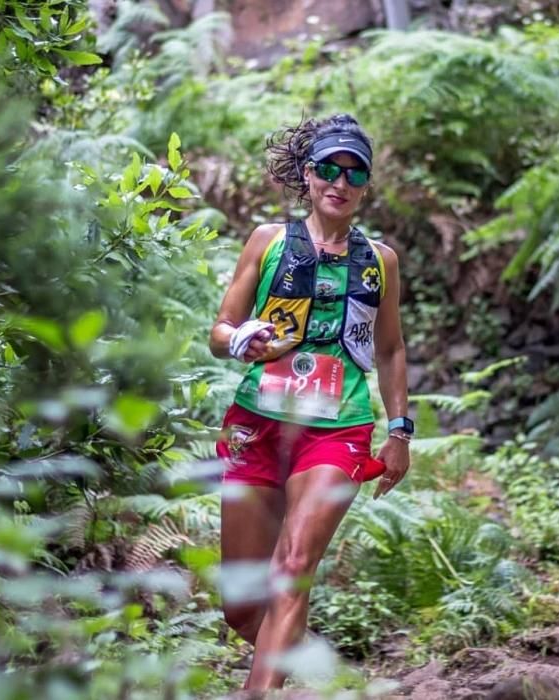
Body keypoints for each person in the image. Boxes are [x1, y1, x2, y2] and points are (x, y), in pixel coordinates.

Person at [209, 113, 412, 690]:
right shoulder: (268, 243)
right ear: (308, 175)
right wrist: (243, 339)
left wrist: (399, 432)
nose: (340, 183)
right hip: (259, 423)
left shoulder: (381, 260)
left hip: (337, 429)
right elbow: (220, 330)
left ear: (365, 185)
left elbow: (391, 348)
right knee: (243, 608)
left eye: (354, 173)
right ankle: (321, 675)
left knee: (293, 567)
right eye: (329, 169)